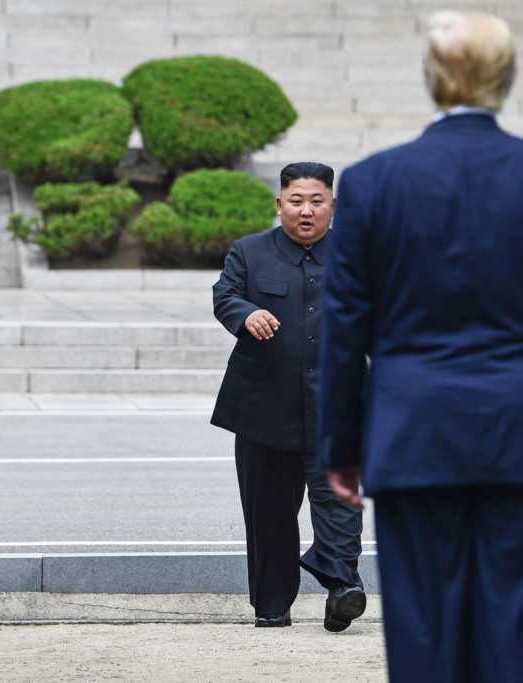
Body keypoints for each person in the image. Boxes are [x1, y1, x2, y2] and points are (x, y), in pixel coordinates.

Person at [317, 11, 523, 681]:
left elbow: (345, 330)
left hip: (413, 429)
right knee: (521, 636)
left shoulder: (372, 182)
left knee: (423, 636)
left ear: (431, 80)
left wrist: (340, 448)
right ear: (506, 79)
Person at [212, 161, 366, 631]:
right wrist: (244, 313)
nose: (306, 210)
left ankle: (343, 589)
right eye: (296, 200)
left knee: (340, 503)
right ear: (280, 204)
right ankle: (272, 605)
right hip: (263, 407)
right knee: (268, 513)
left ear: (332, 206)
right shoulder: (249, 251)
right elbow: (225, 295)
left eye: (316, 201)